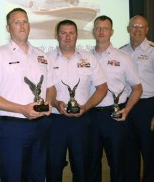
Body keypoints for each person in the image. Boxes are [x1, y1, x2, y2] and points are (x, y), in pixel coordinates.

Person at [0, 7, 55, 182]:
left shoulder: (42, 55)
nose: (22, 26)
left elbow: (51, 87)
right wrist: (21, 109)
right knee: (13, 177)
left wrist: (48, 102)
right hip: (13, 127)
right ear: (8, 28)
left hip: (41, 125)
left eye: (25, 21)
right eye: (16, 22)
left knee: (37, 177)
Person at [46, 19, 108, 182]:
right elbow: (46, 88)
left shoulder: (88, 58)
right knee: (53, 167)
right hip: (54, 121)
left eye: (71, 33)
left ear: (77, 35)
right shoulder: (45, 59)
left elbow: (102, 88)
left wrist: (86, 107)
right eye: (63, 33)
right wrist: (56, 103)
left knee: (82, 167)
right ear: (56, 35)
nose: (67, 37)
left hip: (82, 120)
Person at [88, 15, 143, 182]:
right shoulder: (84, 57)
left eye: (105, 28)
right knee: (91, 164)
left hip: (114, 117)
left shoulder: (123, 58)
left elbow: (137, 88)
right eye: (98, 28)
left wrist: (127, 109)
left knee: (118, 164)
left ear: (111, 32)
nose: (101, 31)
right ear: (93, 31)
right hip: (90, 117)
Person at [120, 15, 154, 182]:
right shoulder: (121, 52)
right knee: (129, 153)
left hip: (148, 107)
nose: (137, 30)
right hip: (127, 105)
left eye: (141, 27)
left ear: (147, 30)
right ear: (128, 29)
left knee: (149, 153)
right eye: (134, 26)